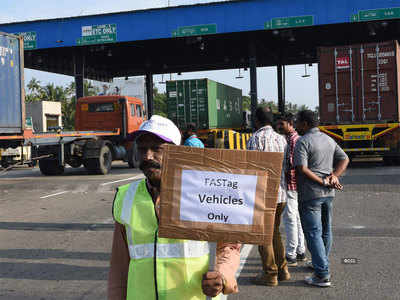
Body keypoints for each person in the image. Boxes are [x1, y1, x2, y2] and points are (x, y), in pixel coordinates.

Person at [108, 115, 241, 300]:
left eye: (157, 149)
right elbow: (119, 268)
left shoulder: (204, 194)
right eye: (142, 149)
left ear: (177, 152)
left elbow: (229, 246)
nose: (148, 156)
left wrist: (222, 275)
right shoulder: (126, 197)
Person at [294, 110, 349, 287]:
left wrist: (323, 181)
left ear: (304, 124)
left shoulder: (302, 142)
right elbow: (344, 158)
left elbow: (302, 168)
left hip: (311, 194)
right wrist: (334, 176)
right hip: (328, 195)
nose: (295, 125)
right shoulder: (328, 139)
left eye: (297, 122)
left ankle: (322, 274)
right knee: (326, 230)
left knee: (313, 233)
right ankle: (320, 264)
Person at [246, 107, 289, 286]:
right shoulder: (282, 139)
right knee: (275, 233)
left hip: (263, 194)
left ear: (256, 120)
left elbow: (251, 168)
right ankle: (283, 269)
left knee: (263, 234)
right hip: (281, 194)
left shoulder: (255, 139)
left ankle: (270, 274)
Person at [276, 113, 306, 267]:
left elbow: (293, 165)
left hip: (290, 184)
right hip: (294, 185)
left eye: (281, 124)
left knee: (290, 220)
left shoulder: (293, 140)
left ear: (290, 123)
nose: (279, 127)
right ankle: (300, 251)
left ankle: (291, 254)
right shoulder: (291, 139)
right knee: (297, 219)